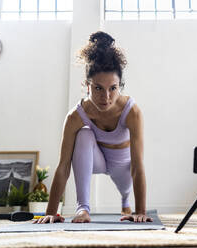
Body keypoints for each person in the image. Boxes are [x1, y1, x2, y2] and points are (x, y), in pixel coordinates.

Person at [34, 31, 153, 224]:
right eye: (98, 88)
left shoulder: (132, 111)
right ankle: (83, 209)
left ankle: (125, 200)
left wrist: (140, 211)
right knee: (84, 134)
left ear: (120, 86)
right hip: (96, 159)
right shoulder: (76, 116)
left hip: (122, 166)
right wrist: (51, 212)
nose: (106, 97)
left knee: (125, 188)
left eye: (112, 88)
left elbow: (138, 165)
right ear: (87, 86)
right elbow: (63, 166)